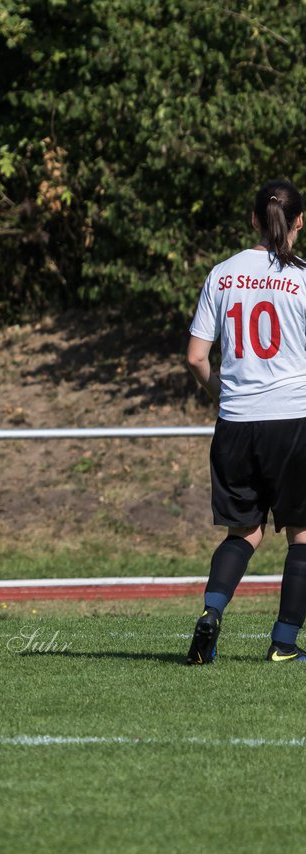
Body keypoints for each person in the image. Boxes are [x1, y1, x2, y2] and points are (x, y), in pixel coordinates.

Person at [186, 178, 306, 664]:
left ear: (253, 219)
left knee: (244, 532)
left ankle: (211, 616)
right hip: (293, 421)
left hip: (235, 423)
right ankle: (282, 644)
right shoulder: (303, 279)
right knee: (302, 535)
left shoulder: (223, 273)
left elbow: (196, 357)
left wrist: (223, 393)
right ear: (300, 222)